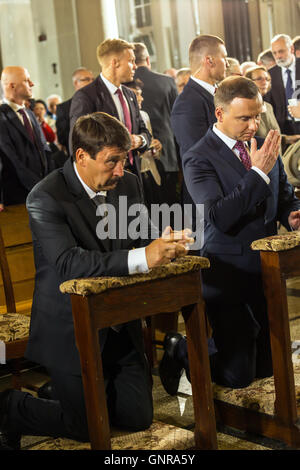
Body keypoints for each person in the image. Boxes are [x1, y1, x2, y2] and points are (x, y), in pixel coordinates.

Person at [0, 112, 192, 450]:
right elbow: (68, 263)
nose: (121, 169)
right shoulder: (44, 197)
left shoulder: (129, 183)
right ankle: (13, 406)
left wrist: (167, 240)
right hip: (69, 328)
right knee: (88, 426)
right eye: (112, 161)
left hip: (119, 322)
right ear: (81, 157)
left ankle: (64, 393)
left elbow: (142, 234)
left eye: (125, 159)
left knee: (137, 418)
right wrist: (144, 256)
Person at [159, 76, 300, 396]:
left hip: (267, 269)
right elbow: (219, 217)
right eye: (244, 118)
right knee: (239, 377)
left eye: (258, 115)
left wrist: (290, 215)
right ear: (220, 114)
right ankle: (180, 349)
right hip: (226, 271)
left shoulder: (264, 143)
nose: (254, 124)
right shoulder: (198, 157)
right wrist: (259, 172)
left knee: (268, 366)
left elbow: (283, 195)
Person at [69, 39, 151, 185]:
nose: (135, 66)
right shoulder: (86, 96)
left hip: (134, 176)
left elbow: (144, 131)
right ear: (115, 63)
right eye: (131, 61)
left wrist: (140, 140)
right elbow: (78, 141)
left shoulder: (130, 95)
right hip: (104, 179)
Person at [171, 34, 228, 237]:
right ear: (209, 60)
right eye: (224, 57)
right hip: (208, 197)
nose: (227, 63)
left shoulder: (216, 94)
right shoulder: (188, 102)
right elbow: (196, 157)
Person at [134, 42, 179, 211]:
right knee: (172, 207)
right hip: (167, 153)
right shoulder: (167, 82)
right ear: (147, 59)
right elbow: (176, 117)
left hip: (139, 155)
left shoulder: (125, 84)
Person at [0, 66, 51, 210]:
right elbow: (11, 159)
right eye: (26, 80)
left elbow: (44, 151)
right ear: (12, 86)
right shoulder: (1, 116)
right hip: (18, 197)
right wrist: (38, 188)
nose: (32, 83)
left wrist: (49, 184)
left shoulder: (29, 113)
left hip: (42, 192)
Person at [123, 78, 165, 213]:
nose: (140, 98)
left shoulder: (144, 115)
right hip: (133, 175)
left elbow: (151, 143)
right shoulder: (120, 117)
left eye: (140, 94)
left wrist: (156, 147)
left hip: (151, 172)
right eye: (136, 94)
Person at [245, 66, 300, 151]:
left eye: (267, 79)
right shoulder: (246, 108)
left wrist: (287, 139)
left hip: (277, 159)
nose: (264, 82)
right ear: (248, 82)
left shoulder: (268, 106)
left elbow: (270, 135)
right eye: (259, 79)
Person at [265, 34, 300, 136]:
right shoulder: (270, 74)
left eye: (281, 51)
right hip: (283, 128)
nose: (278, 56)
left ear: (292, 49)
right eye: (274, 53)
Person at [56, 67, 94, 153]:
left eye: (93, 79)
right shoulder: (63, 108)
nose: (91, 82)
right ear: (76, 83)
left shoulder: (99, 102)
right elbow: (63, 138)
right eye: (87, 79)